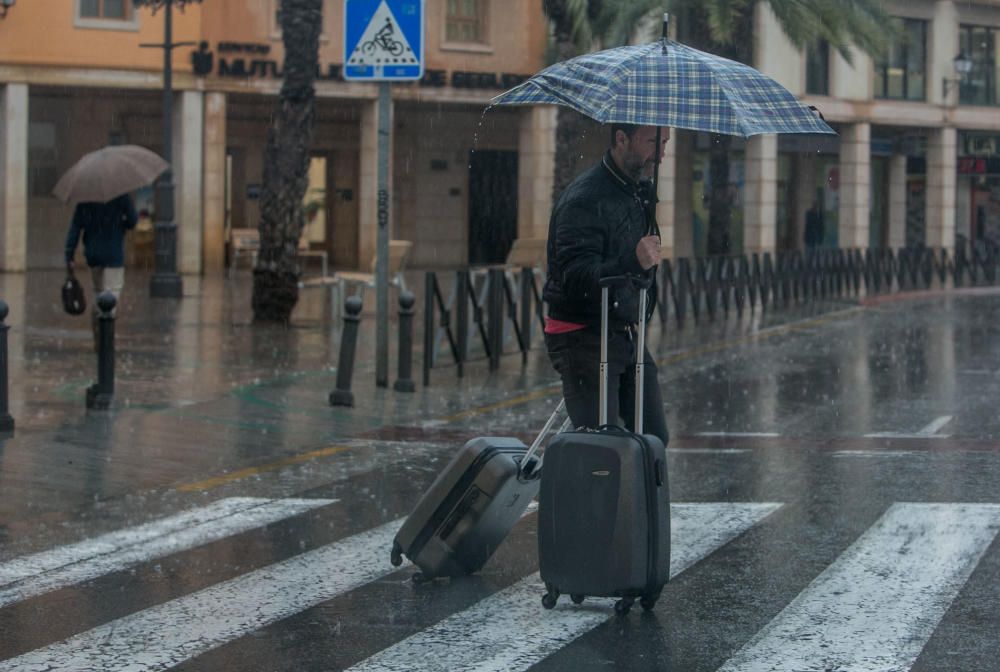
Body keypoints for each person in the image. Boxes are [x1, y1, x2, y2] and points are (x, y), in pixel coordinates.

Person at [542, 123, 670, 446]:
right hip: (581, 334)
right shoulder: (584, 199)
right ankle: (579, 494)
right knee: (599, 445)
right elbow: (574, 277)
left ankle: (634, 496)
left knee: (653, 436)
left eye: (665, 143)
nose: (661, 155)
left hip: (621, 329)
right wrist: (632, 261)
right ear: (621, 139)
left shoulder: (635, 191)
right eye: (653, 143)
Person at [64, 193, 137, 343]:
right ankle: (106, 342)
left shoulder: (85, 201)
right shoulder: (121, 197)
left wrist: (69, 255)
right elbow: (133, 221)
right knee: (111, 297)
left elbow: (75, 229)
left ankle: (98, 337)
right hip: (113, 255)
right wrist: (121, 222)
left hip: (94, 255)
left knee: (99, 295)